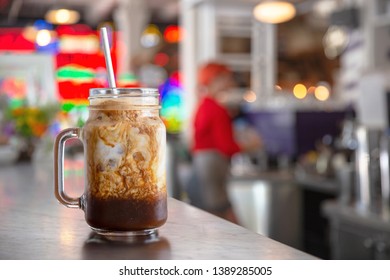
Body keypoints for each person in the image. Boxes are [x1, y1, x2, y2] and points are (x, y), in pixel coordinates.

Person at [186, 61, 261, 223]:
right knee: (220, 218)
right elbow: (227, 147)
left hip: (201, 166)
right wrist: (252, 146)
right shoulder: (217, 109)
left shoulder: (204, 105)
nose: (230, 83)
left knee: (208, 218)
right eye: (226, 78)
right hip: (212, 168)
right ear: (216, 80)